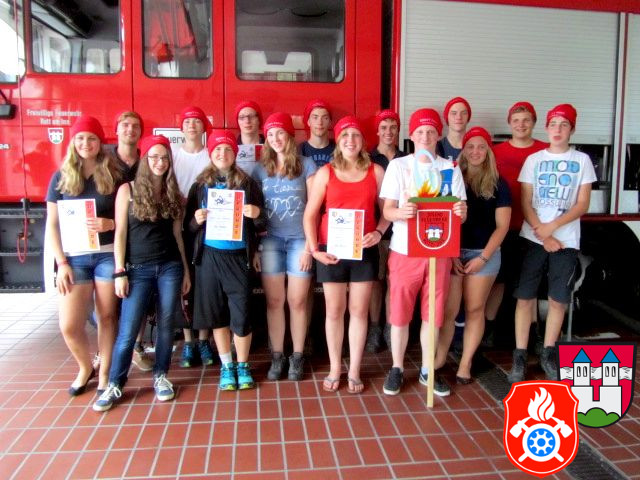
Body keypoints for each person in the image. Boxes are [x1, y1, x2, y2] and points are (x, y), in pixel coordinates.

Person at [93, 135, 191, 411]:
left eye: (164, 158)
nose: (160, 162)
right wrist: (119, 271)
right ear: (145, 160)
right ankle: (115, 383)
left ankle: (161, 376)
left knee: (166, 326)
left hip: (170, 267)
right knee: (128, 329)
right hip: (137, 270)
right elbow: (120, 233)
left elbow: (178, 236)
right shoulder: (128, 190)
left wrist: (185, 270)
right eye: (154, 157)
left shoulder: (173, 194)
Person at [380, 108, 467, 397]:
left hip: (438, 252)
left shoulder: (449, 167)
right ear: (412, 135)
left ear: (438, 134)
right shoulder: (398, 166)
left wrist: (461, 211)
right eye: (420, 131)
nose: (426, 136)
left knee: (433, 315)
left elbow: (461, 213)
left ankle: (428, 370)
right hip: (405, 251)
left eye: (431, 131)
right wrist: (400, 212)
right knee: (400, 314)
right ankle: (396, 367)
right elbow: (387, 211)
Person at [507, 104, 596, 382]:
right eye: (553, 124)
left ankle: (548, 353)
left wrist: (553, 228)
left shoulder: (582, 161)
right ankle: (520, 356)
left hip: (565, 242)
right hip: (533, 238)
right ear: (546, 128)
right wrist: (543, 234)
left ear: (572, 129)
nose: (558, 130)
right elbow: (525, 201)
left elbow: (582, 204)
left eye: (564, 125)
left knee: (558, 300)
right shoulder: (534, 160)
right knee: (525, 298)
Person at [303, 116, 390, 394]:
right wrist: (314, 250)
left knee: (359, 311)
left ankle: (354, 369)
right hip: (332, 251)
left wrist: (378, 232)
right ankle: (334, 367)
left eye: (355, 135)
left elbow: (388, 211)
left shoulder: (376, 171)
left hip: (364, 250)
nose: (350, 140)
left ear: (363, 141)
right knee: (334, 311)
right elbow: (310, 215)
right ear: (338, 141)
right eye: (345, 136)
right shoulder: (325, 172)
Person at [45, 115, 121, 395]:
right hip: (74, 259)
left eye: (91, 138)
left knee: (107, 317)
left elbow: (127, 219)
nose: (86, 143)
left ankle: (105, 374)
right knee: (69, 325)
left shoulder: (114, 175)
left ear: (100, 142)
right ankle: (85, 367)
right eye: (80, 138)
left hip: (107, 255)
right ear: (73, 143)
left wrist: (110, 224)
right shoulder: (60, 178)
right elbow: (52, 225)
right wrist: (61, 263)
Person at [185, 130, 264, 391]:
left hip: (238, 257)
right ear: (211, 154)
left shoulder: (247, 183)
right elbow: (187, 227)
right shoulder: (200, 185)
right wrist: (196, 221)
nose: (222, 153)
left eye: (228, 149)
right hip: (209, 257)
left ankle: (243, 364)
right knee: (217, 314)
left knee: (241, 314)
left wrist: (256, 214)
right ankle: (227, 365)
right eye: (217, 149)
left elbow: (262, 223)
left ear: (235, 153)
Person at [436, 127, 511, 384]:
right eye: (470, 146)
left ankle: (465, 364)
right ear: (463, 151)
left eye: (481, 147)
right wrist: (450, 254)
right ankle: (440, 359)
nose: (476, 151)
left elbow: (502, 227)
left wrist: (483, 258)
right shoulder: (451, 179)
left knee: (474, 309)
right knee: (449, 310)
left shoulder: (499, 183)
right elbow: (442, 219)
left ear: (488, 151)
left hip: (483, 254)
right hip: (454, 252)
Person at [252, 113, 317, 381]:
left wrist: (310, 247)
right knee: (274, 301)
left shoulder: (307, 165)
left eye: (280, 133)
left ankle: (297, 356)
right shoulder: (260, 169)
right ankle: (277, 355)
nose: (275, 138)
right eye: (270, 134)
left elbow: (314, 208)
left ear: (290, 136)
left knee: (298, 301)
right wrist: (255, 248)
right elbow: (255, 213)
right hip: (270, 242)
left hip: (300, 240)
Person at [484, 102, 547, 347]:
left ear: (534, 123)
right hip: (504, 229)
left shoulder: (545, 152)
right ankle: (488, 332)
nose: (521, 125)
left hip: (534, 230)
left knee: (529, 285)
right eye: (516, 120)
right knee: (498, 281)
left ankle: (533, 335)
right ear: (509, 123)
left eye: (526, 120)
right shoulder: (495, 152)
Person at [109, 110, 154, 372]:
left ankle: (136, 346)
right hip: (110, 236)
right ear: (116, 129)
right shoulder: (105, 161)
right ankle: (108, 351)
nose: (130, 130)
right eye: (125, 125)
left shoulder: (146, 161)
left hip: (140, 241)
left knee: (139, 297)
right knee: (110, 301)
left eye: (136, 126)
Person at [172, 105, 214, 368]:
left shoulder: (211, 155)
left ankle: (204, 340)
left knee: (203, 284)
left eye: (197, 121)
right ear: (182, 127)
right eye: (187, 121)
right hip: (179, 224)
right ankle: (188, 341)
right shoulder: (173, 156)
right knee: (184, 283)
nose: (192, 125)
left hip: (205, 225)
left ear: (204, 127)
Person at [366, 109, 406, 352]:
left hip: (402, 232)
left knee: (395, 282)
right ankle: (374, 328)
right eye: (384, 127)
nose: (388, 132)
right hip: (376, 230)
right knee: (376, 281)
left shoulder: (407, 159)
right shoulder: (368, 159)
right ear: (377, 130)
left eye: (393, 127)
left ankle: (392, 327)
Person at [300, 99, 335, 168]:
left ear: (330, 122)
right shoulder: (299, 150)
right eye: (315, 117)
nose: (320, 123)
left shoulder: (339, 149)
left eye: (325, 118)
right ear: (308, 121)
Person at [234, 100, 264, 176]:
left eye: (251, 116)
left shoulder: (272, 147)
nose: (247, 121)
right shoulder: (231, 149)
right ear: (238, 122)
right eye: (242, 117)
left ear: (259, 120)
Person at [437, 96, 472, 161]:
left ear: (468, 118)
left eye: (464, 113)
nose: (459, 117)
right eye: (454, 113)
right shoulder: (437, 147)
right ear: (447, 117)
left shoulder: (476, 148)